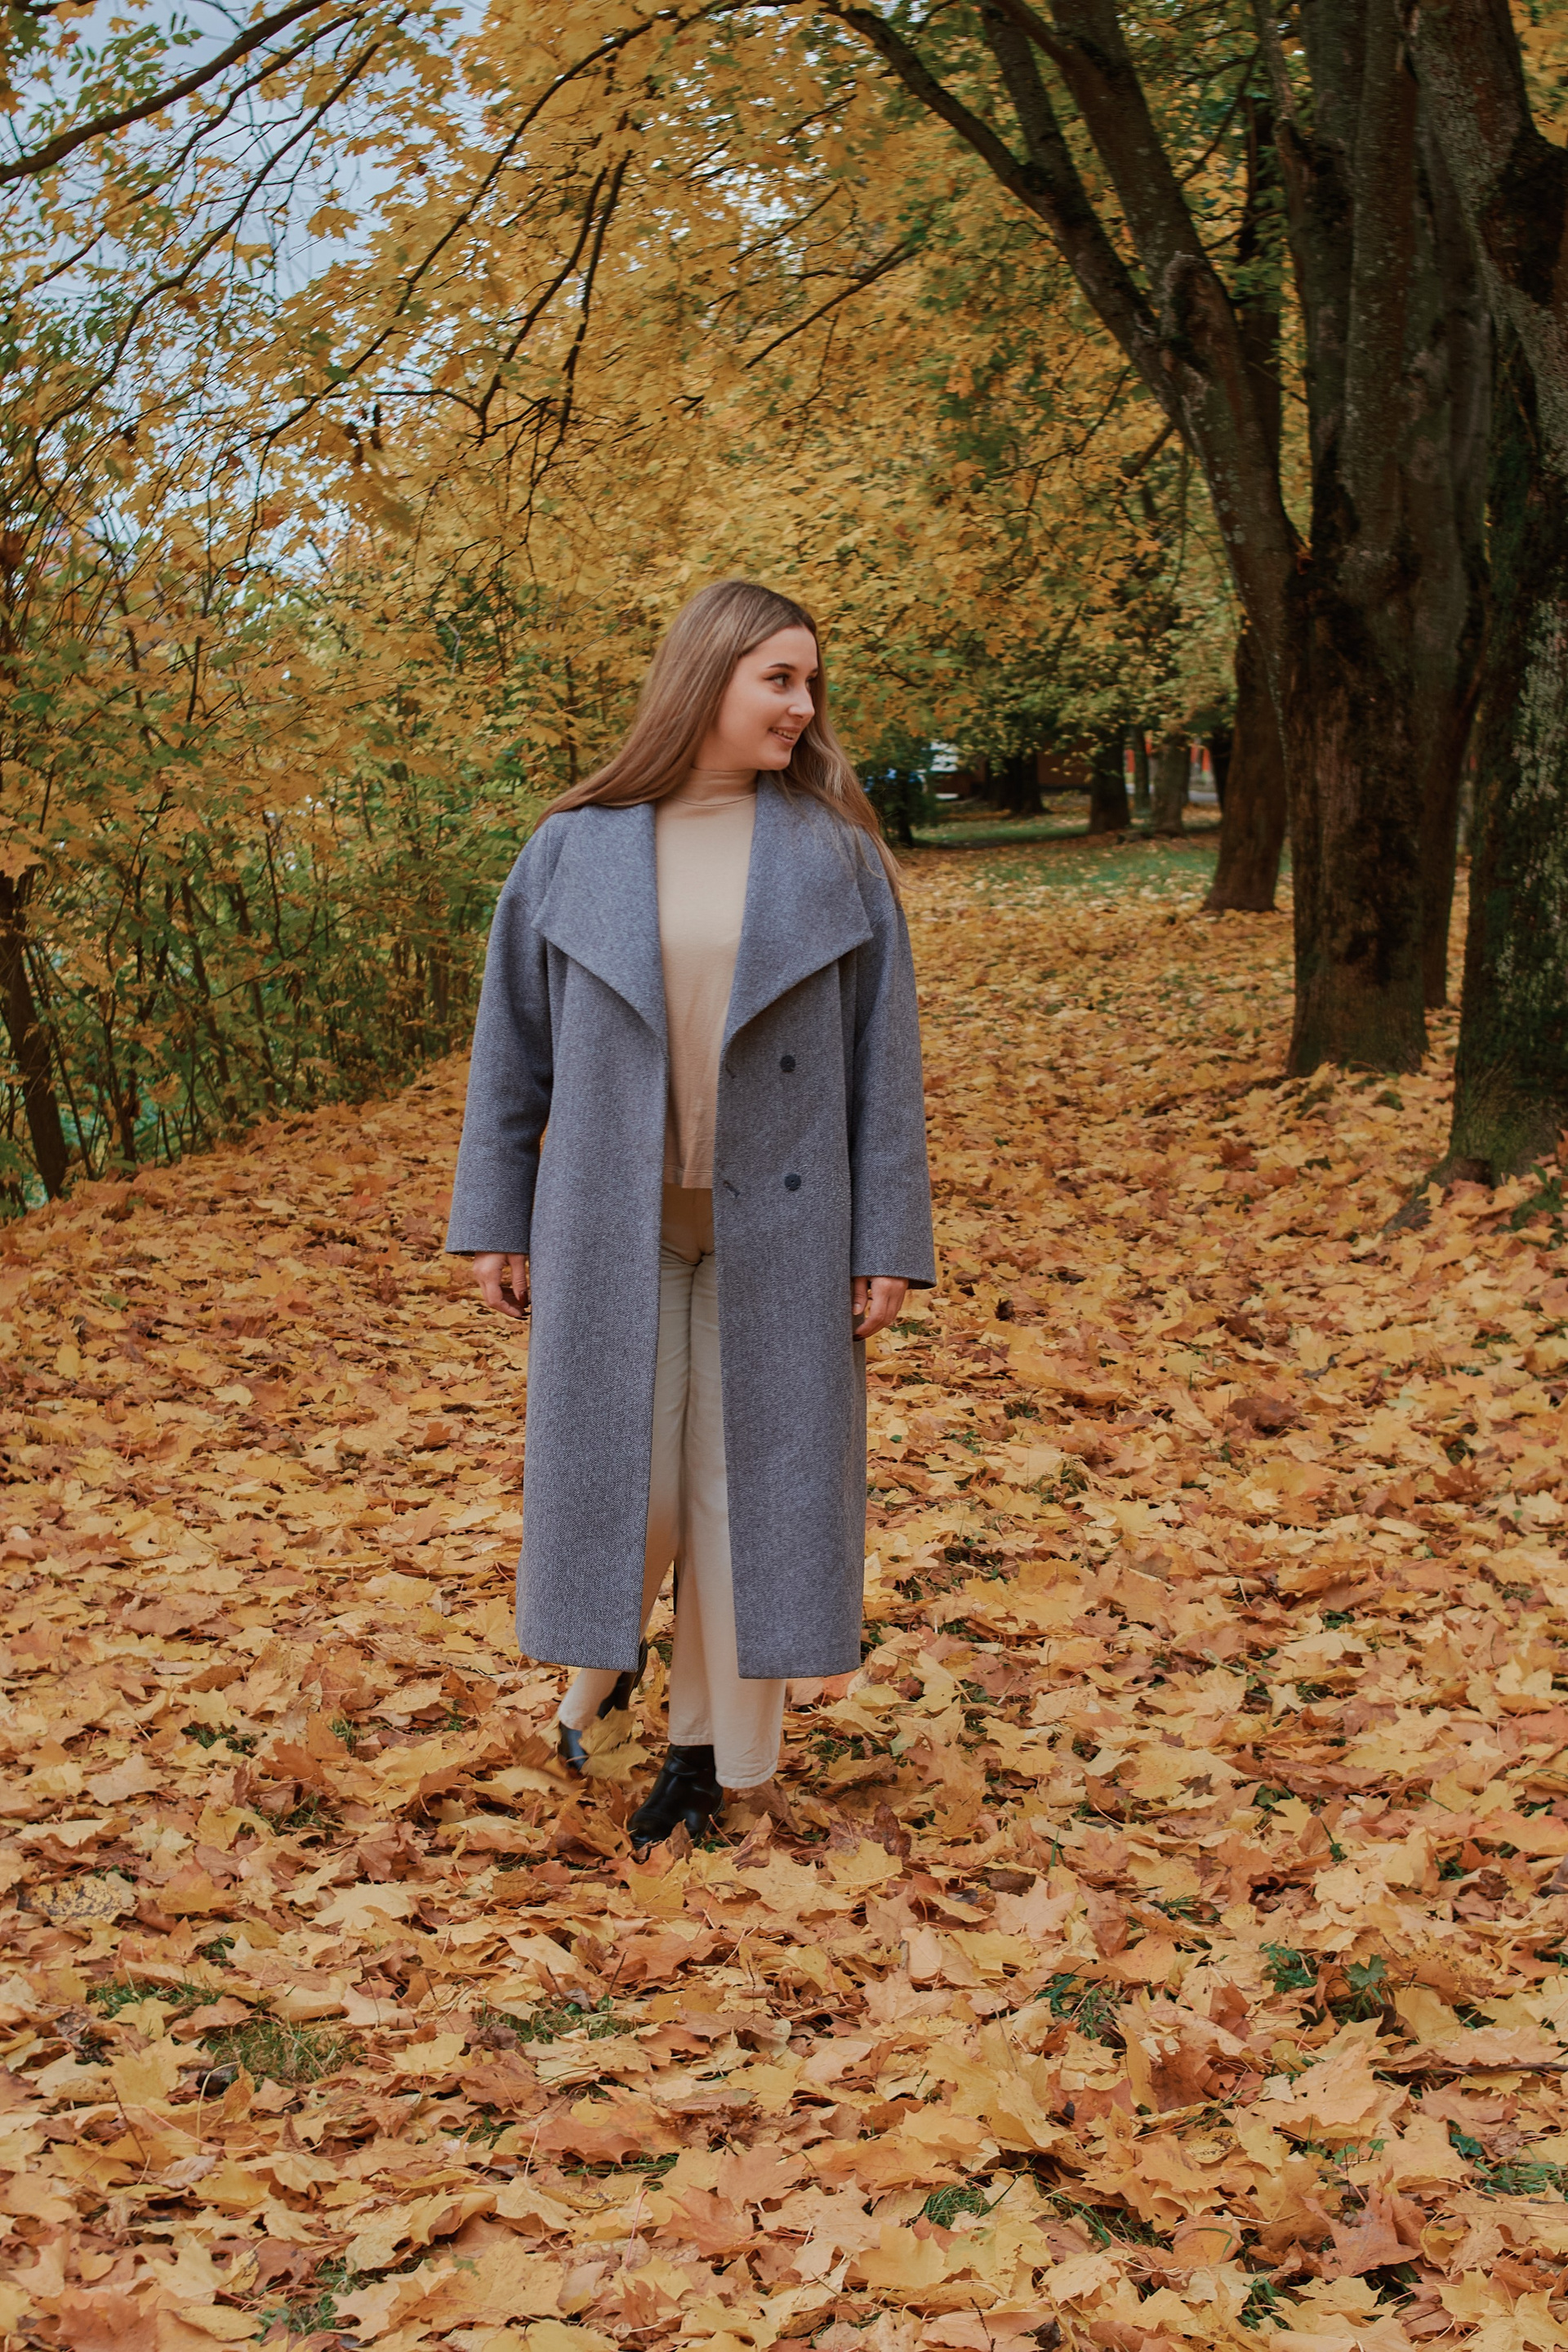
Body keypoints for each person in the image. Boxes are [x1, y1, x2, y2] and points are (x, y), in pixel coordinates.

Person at [446, 580, 934, 1851]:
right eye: (780, 678)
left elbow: (885, 1063)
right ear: (707, 675)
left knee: (742, 1496)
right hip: (614, 1221)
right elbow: (512, 1048)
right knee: (636, 1488)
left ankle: (709, 1757)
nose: (804, 704)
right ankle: (602, 1666)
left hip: (786, 1229)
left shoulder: (834, 853)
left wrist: (888, 1238)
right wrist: (496, 1215)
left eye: (811, 682)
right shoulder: (576, 846)